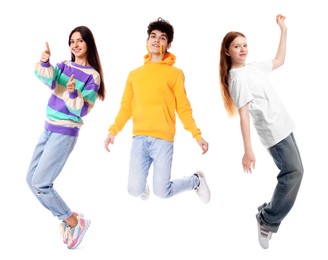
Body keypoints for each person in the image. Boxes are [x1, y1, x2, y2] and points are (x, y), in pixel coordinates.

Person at [219, 15, 303, 249]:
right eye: (237, 46)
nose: (242, 49)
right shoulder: (236, 79)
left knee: (294, 172)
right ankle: (267, 220)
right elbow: (244, 117)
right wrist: (248, 150)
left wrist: (283, 30)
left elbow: (279, 60)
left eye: (245, 45)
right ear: (227, 51)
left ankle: (268, 212)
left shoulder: (253, 68)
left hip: (285, 125)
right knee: (293, 173)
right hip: (273, 133)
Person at [104, 17, 210, 203]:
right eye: (153, 36)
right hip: (139, 138)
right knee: (134, 190)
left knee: (162, 192)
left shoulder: (175, 74)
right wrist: (113, 131)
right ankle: (140, 182)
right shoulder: (134, 75)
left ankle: (196, 181)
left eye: (162, 38)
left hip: (163, 140)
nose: (156, 40)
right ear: (147, 42)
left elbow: (183, 108)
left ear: (168, 44)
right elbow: (126, 107)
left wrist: (197, 135)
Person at [26, 26, 106, 250]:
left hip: (65, 133)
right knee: (31, 180)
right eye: (72, 42)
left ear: (88, 43)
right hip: (48, 127)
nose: (75, 45)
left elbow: (82, 109)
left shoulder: (93, 76)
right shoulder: (63, 66)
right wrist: (44, 61)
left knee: (41, 183)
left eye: (80, 41)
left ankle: (73, 221)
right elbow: (48, 78)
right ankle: (70, 220)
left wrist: (72, 92)